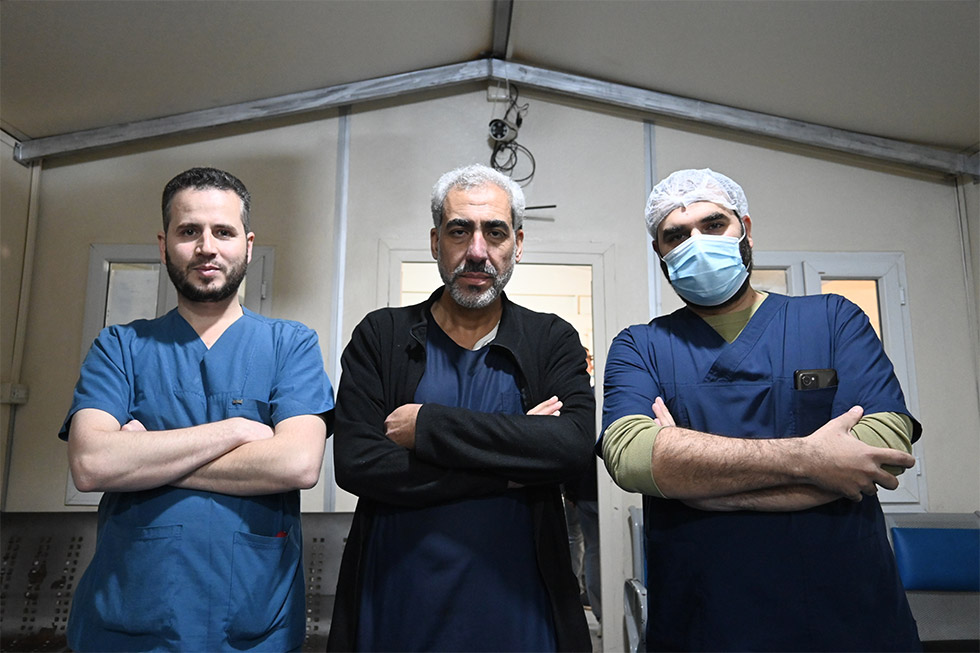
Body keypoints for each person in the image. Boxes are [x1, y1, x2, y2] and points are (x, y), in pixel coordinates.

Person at [601, 168, 921, 651]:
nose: (697, 243)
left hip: (848, 614)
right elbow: (632, 457)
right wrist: (813, 460)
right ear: (660, 252)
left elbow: (885, 444)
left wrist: (701, 487)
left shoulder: (833, 319)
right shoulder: (639, 346)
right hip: (705, 619)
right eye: (676, 235)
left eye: (713, 225)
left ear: (745, 229)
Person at [60, 167, 335, 652]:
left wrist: (143, 455)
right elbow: (91, 463)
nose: (207, 247)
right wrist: (235, 430)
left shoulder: (291, 344)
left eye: (223, 231)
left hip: (255, 623)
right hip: (127, 622)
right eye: (189, 232)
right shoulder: (120, 346)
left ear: (247, 245)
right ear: (164, 245)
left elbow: (297, 463)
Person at [328, 163, 594, 652]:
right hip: (396, 603)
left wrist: (428, 425)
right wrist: (516, 460)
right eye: (459, 231)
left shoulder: (550, 339)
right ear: (436, 243)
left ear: (517, 243)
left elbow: (572, 447)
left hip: (520, 610)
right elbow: (358, 463)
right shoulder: (382, 336)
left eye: (494, 232)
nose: (477, 251)